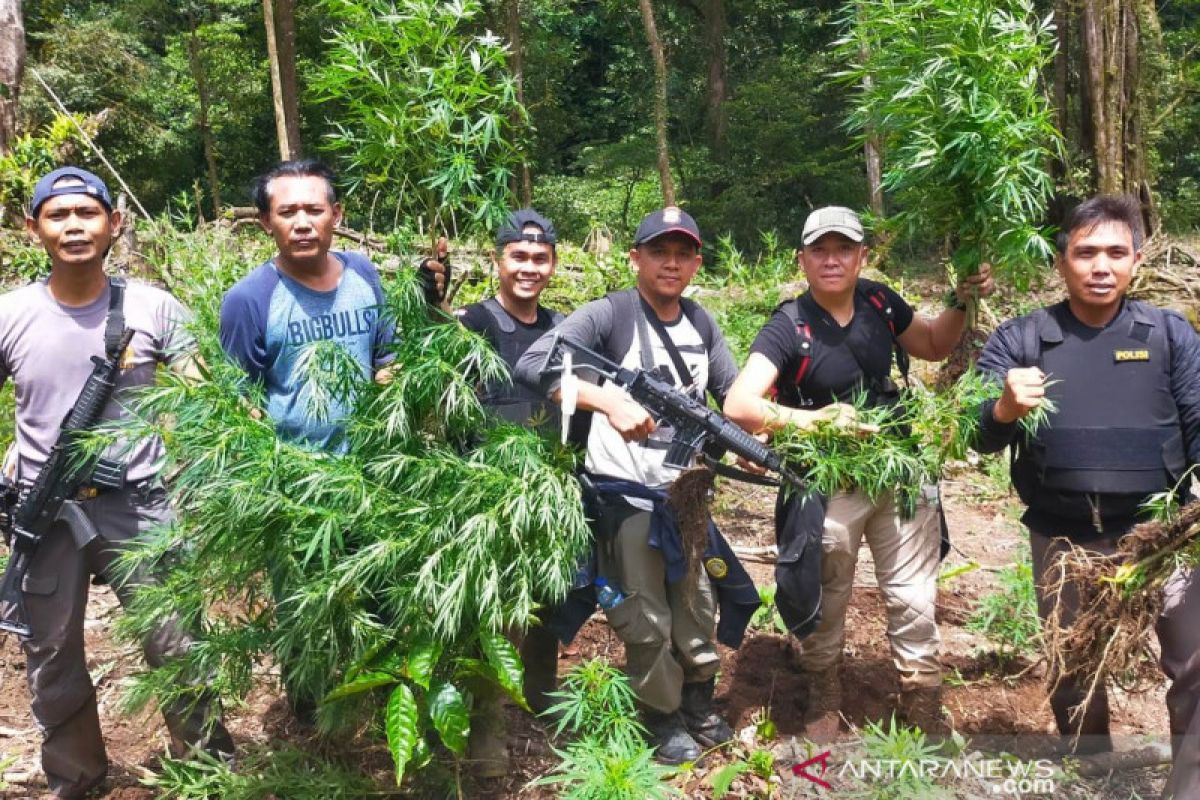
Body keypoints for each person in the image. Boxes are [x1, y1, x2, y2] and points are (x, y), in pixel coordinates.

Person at [2, 166, 232, 798]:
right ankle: (77, 780)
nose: (73, 226)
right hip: (46, 511)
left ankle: (209, 769)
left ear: (114, 223)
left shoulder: (153, 306)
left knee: (178, 641)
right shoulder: (12, 313)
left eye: (87, 214)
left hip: (140, 504)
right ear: (33, 228)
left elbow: (203, 395)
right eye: (57, 215)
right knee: (51, 653)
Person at [723, 205, 994, 736]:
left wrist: (962, 300)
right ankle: (824, 692)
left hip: (898, 473)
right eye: (819, 250)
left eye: (843, 248)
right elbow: (739, 404)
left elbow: (936, 343)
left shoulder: (878, 302)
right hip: (828, 483)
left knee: (914, 595)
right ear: (802, 259)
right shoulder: (789, 325)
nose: (831, 259)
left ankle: (922, 703)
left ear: (861, 256)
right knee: (827, 591)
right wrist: (811, 420)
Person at [973, 195, 1200, 793]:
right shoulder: (1022, 339)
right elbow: (971, 435)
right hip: (1062, 536)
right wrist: (1002, 406)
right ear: (1061, 259)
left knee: (1196, 665)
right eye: (1086, 252)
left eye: (1116, 252)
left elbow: (1199, 423)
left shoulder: (1169, 335)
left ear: (1138, 260)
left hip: (1163, 538)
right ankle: (1091, 776)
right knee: (1072, 668)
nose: (1101, 265)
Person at [515, 207, 745, 765]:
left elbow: (730, 394)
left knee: (697, 606)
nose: (671, 263)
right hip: (624, 494)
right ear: (634, 258)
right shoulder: (608, 316)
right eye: (659, 252)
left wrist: (751, 448)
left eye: (683, 253)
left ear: (696, 262)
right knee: (644, 617)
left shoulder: (702, 323)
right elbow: (533, 363)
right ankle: (660, 716)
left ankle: (697, 701)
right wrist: (608, 399)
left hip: (686, 496)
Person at [452, 208, 566, 776]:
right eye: (518, 257)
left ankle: (541, 695)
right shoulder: (472, 322)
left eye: (539, 258)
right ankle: (487, 728)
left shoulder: (563, 327)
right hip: (487, 492)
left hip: (551, 486)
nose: (529, 267)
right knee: (494, 613)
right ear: (498, 260)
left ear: (553, 263)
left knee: (547, 598)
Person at [219, 160, 401, 453]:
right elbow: (241, 401)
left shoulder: (364, 274)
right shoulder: (248, 299)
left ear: (337, 215)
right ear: (266, 221)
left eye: (315, 210)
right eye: (287, 212)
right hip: (294, 482)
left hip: (369, 476)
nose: (302, 224)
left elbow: (388, 361)